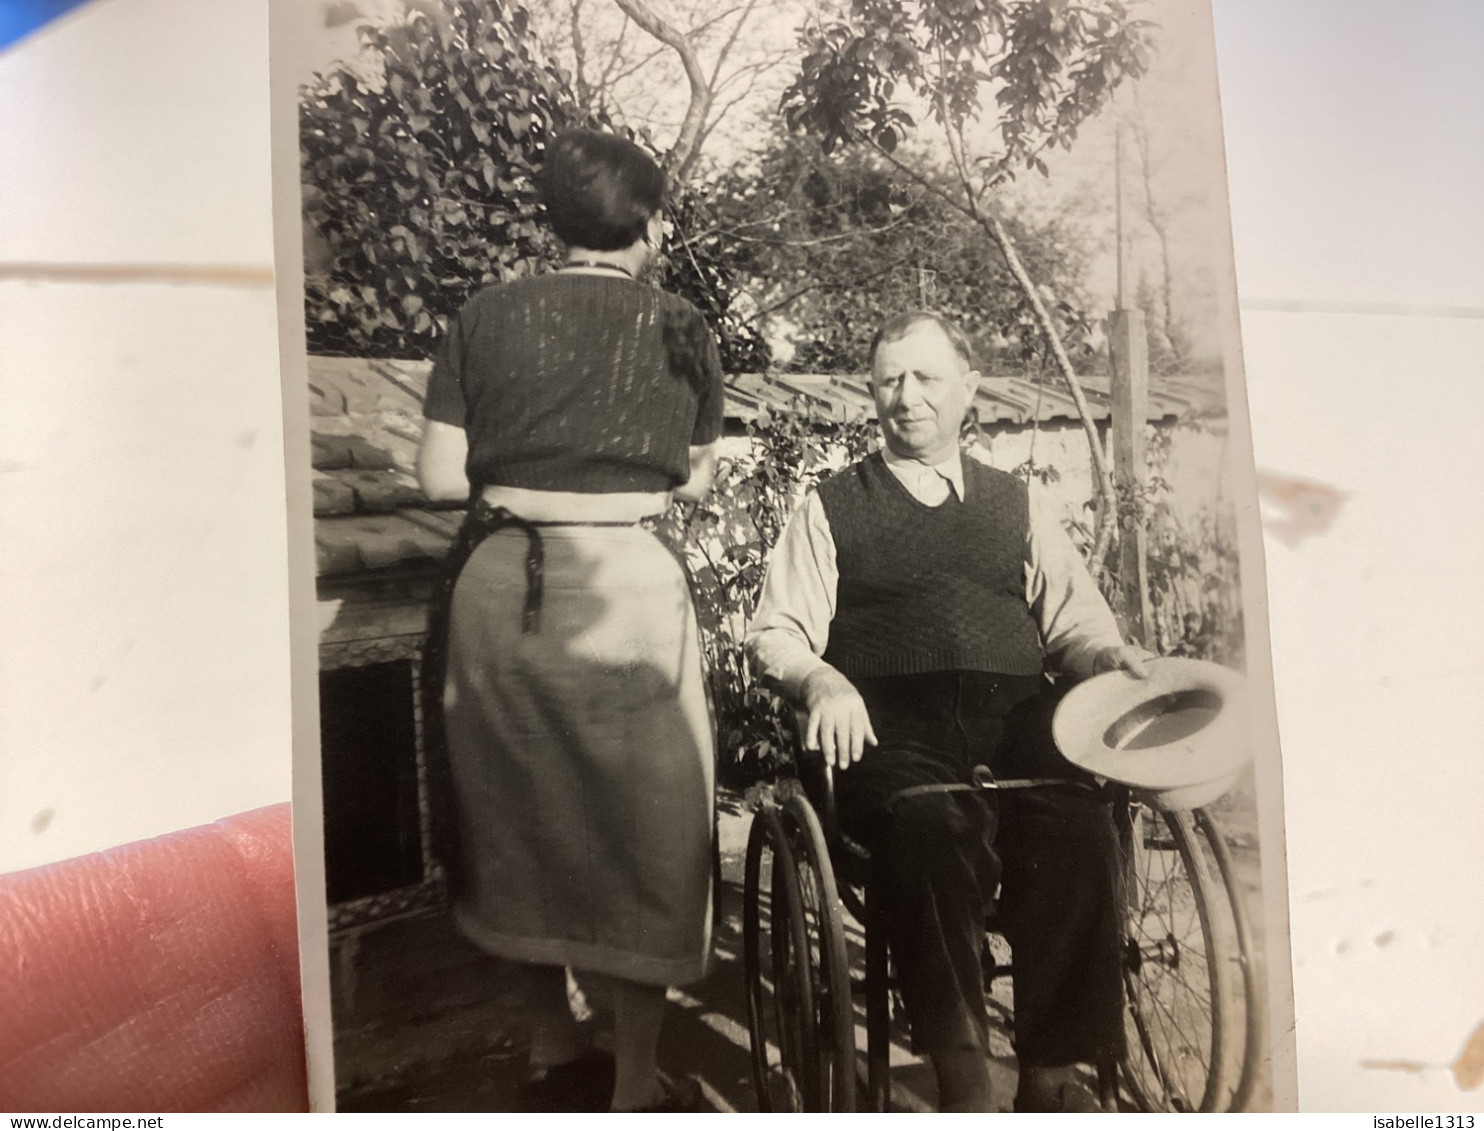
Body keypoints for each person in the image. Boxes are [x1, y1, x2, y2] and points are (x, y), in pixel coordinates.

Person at [745, 311, 1154, 1113]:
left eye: (927, 377)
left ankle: (1051, 1078)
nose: (908, 397)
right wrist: (822, 683)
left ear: (968, 388)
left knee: (1077, 826)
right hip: (890, 728)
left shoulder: (1017, 504)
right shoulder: (831, 506)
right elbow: (777, 630)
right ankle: (964, 1075)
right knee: (928, 832)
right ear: (871, 393)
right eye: (890, 379)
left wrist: (1108, 658)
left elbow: (1075, 622)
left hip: (1016, 723)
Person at [415, 130, 723, 1112]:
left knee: (518, 821)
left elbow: (433, 478)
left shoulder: (482, 317)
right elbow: (697, 475)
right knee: (649, 832)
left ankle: (552, 1056)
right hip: (629, 588)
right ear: (649, 222)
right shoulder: (682, 328)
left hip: (501, 589)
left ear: (555, 216)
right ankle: (633, 1082)